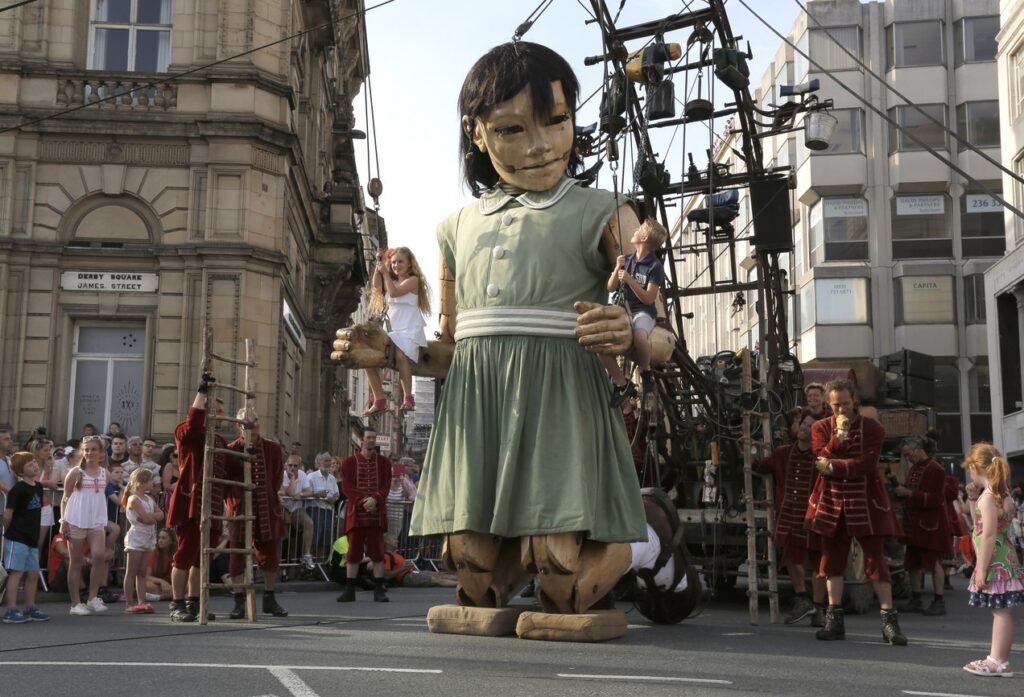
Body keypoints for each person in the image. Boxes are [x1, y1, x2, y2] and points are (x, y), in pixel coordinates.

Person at [407, 41, 646, 621]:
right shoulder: (453, 227)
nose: (540, 145)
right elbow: (446, 347)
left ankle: (628, 548)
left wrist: (631, 329)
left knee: (558, 569)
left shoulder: (607, 209)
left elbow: (655, 327)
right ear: (477, 134)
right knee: (469, 568)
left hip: (561, 392)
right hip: (478, 401)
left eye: (556, 121)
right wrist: (394, 352)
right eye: (512, 129)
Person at [808, 379, 906, 645]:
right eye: (836, 404)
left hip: (865, 502)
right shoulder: (820, 428)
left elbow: (867, 463)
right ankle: (834, 620)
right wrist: (837, 441)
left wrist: (835, 466)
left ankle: (889, 622)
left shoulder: (872, 428)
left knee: (876, 560)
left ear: (855, 401)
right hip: (831, 502)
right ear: (829, 404)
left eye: (846, 404)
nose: (841, 410)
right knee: (831, 561)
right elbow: (819, 460)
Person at [168, 380, 236, 623]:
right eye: (214, 409)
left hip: (213, 507)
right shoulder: (186, 432)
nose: (219, 414)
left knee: (201, 558)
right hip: (191, 505)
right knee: (185, 555)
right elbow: (193, 424)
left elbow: (229, 472)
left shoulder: (218, 441)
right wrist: (201, 392)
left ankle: (193, 602)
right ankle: (176, 604)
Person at [752, 411, 826, 626]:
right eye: (804, 423)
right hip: (789, 516)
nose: (805, 427)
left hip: (815, 517)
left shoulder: (822, 455)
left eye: (810, 425)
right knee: (792, 559)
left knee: (820, 565)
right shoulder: (783, 453)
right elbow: (760, 466)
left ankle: (818, 607)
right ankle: (803, 598)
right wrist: (747, 451)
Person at [961, 443, 1024, 677]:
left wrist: (981, 568)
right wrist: (971, 497)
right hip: (1006, 560)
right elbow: (977, 522)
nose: (969, 474)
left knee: (1000, 611)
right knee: (1001, 610)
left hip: (994, 563)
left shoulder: (988, 498)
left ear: (977, 468)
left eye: (970, 469)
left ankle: (997, 660)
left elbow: (987, 535)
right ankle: (1000, 660)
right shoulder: (1002, 495)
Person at [226, 408, 288, 619]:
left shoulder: (272, 448)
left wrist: (267, 496)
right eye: (249, 423)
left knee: (269, 554)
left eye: (257, 421)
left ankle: (270, 598)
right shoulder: (232, 450)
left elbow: (277, 477)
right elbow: (227, 481)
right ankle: (238, 602)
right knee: (237, 556)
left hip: (265, 507)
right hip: (240, 509)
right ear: (239, 426)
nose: (255, 426)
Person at [603, 218, 668, 406]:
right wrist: (617, 268)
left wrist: (631, 281)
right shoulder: (628, 260)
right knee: (601, 342)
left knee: (640, 336)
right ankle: (621, 383)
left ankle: (646, 372)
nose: (635, 230)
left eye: (639, 229)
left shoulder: (654, 267)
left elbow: (649, 298)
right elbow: (610, 287)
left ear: (644, 237)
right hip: (623, 312)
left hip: (643, 313)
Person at [362, 246, 431, 416]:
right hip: (392, 330)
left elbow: (394, 292)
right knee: (366, 356)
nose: (396, 265)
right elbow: (377, 287)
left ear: (409, 264)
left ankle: (408, 398)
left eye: (400, 262)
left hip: (409, 328)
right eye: (393, 262)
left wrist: (385, 273)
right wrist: (379, 267)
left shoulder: (413, 280)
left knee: (400, 355)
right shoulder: (389, 279)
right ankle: (379, 399)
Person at [893, 436, 952, 616]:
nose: (908, 458)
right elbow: (912, 490)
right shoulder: (915, 469)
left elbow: (935, 498)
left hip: (930, 524)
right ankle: (916, 598)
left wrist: (909, 493)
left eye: (909, 454)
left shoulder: (935, 469)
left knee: (933, 563)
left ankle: (939, 601)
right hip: (915, 524)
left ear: (918, 449)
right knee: (913, 564)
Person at [337, 428, 392, 603]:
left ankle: (379, 589)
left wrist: (375, 499)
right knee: (353, 552)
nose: (371, 440)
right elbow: (347, 487)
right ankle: (349, 589)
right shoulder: (349, 462)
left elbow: (386, 485)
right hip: (357, 513)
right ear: (362, 440)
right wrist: (362, 500)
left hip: (376, 513)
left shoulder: (383, 463)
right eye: (368, 438)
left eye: (373, 438)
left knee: (377, 552)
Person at [60, 435, 113, 616]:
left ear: (101, 453)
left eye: (94, 449)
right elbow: (65, 498)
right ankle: (75, 603)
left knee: (99, 555)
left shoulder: (106, 473)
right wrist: (63, 522)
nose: (90, 453)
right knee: (75, 562)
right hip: (75, 519)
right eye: (87, 449)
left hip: (96, 520)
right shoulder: (75, 472)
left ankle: (92, 598)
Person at [2, 452, 50, 623]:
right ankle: (11, 609)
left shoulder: (38, 486)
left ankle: (30, 607)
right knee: (16, 573)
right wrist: (11, 532)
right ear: (19, 471)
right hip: (17, 537)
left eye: (35, 463)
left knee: (33, 573)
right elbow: (8, 515)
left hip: (31, 538)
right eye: (30, 464)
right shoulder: (18, 489)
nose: (35, 466)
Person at [122, 468, 163, 614]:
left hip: (148, 537)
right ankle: (128, 603)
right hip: (137, 538)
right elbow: (146, 519)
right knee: (131, 572)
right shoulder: (134, 499)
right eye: (150, 480)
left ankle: (142, 602)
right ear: (141, 483)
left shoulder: (149, 499)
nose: (153, 483)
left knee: (142, 572)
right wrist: (149, 517)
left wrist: (148, 516)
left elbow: (160, 515)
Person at [280, 454, 315, 571]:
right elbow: (288, 493)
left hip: (296, 509)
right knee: (284, 537)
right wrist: (293, 479)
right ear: (286, 465)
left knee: (309, 523)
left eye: (295, 466)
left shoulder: (303, 475)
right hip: (282, 509)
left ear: (300, 466)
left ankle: (306, 555)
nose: (292, 468)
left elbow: (309, 491)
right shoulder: (282, 475)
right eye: (290, 465)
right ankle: (282, 566)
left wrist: (301, 494)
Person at [306, 452, 340, 565]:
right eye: (326, 461)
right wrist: (316, 494)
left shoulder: (332, 478)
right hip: (316, 510)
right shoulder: (311, 477)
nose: (328, 463)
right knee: (314, 539)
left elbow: (336, 494)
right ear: (319, 462)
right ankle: (309, 566)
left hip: (329, 511)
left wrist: (333, 499)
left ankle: (320, 566)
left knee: (325, 541)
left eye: (329, 461)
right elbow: (304, 493)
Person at [146, 528, 174, 601]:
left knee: (188, 585)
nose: (160, 540)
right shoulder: (154, 553)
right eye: (159, 537)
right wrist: (161, 581)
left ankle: (162, 596)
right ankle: (173, 596)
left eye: (164, 538)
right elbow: (146, 576)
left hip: (172, 586)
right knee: (146, 585)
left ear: (171, 541)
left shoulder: (176, 553)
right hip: (157, 584)